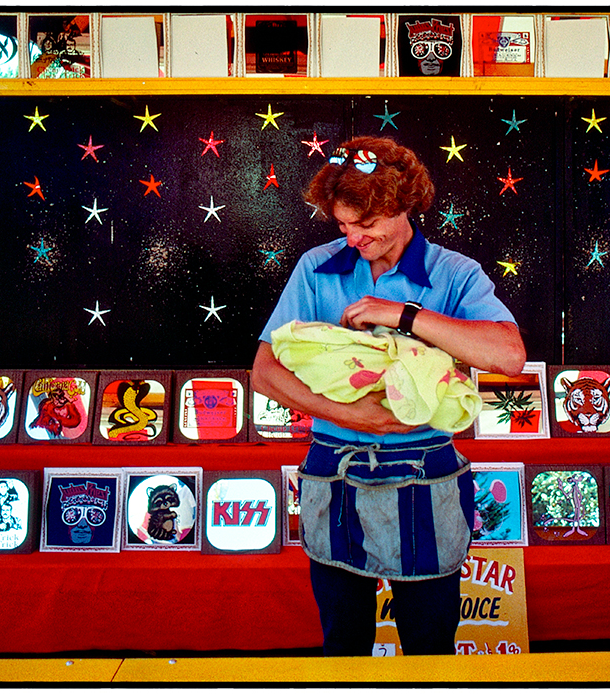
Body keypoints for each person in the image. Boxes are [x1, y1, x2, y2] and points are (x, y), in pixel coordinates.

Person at [251, 136, 525, 656]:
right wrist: (352, 414)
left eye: (366, 225)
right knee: (343, 646)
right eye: (343, 226)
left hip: (425, 477)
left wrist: (401, 314)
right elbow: (264, 372)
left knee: (429, 645)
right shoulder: (316, 267)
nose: (353, 238)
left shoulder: (454, 273)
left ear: (403, 206)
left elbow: (508, 356)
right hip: (335, 473)